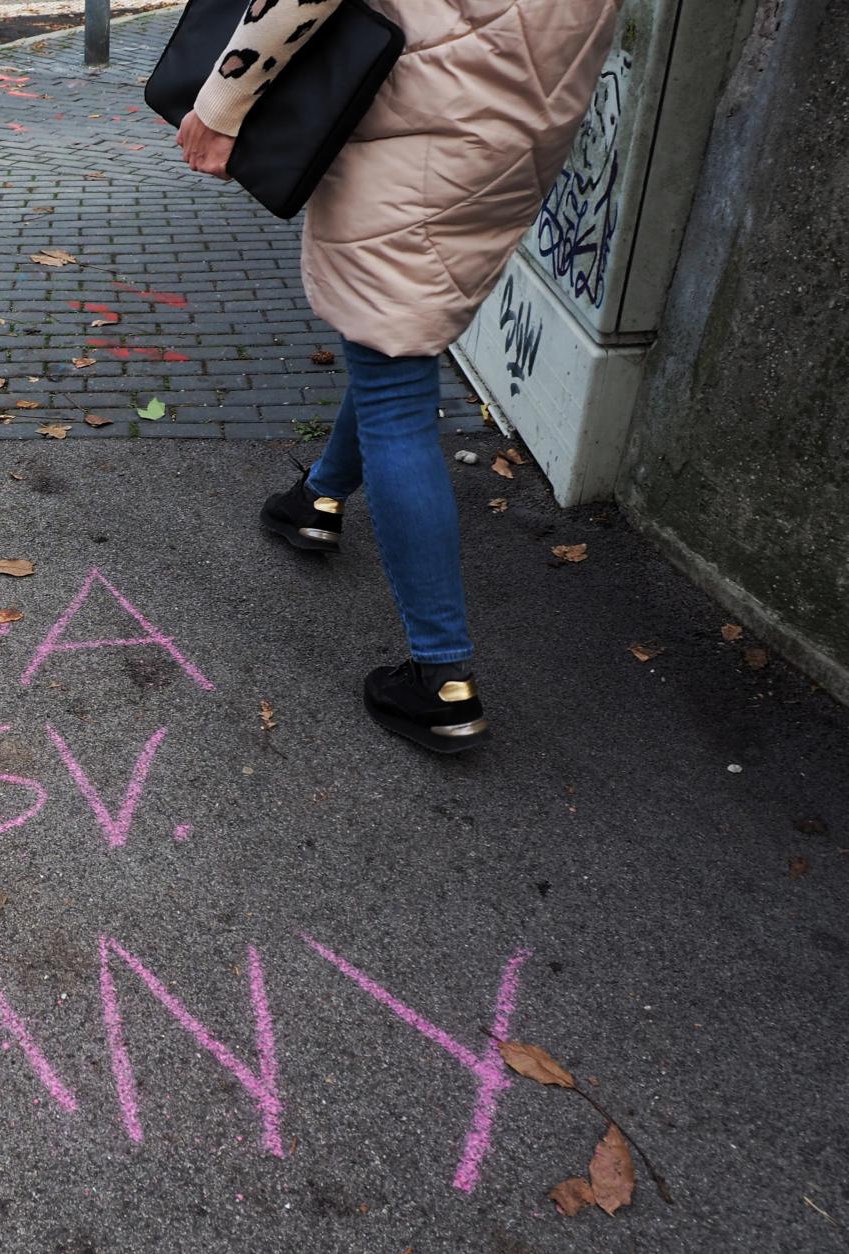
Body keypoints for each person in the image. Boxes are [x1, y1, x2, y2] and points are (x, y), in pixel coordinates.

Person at [175, 0, 620, 753]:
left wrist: (222, 103)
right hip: (518, 134)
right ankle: (315, 497)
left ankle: (442, 682)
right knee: (396, 341)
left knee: (394, 385)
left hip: (416, 126)